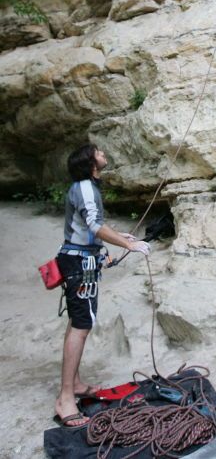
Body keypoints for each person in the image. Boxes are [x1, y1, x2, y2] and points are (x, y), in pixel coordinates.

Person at [54, 143, 150, 428]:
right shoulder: (84, 186)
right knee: (81, 328)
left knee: (77, 323)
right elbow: (95, 226)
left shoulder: (88, 187)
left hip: (82, 261)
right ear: (89, 161)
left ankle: (76, 383)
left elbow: (88, 226)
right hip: (78, 264)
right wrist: (128, 244)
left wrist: (114, 237)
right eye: (98, 151)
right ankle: (65, 398)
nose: (104, 153)